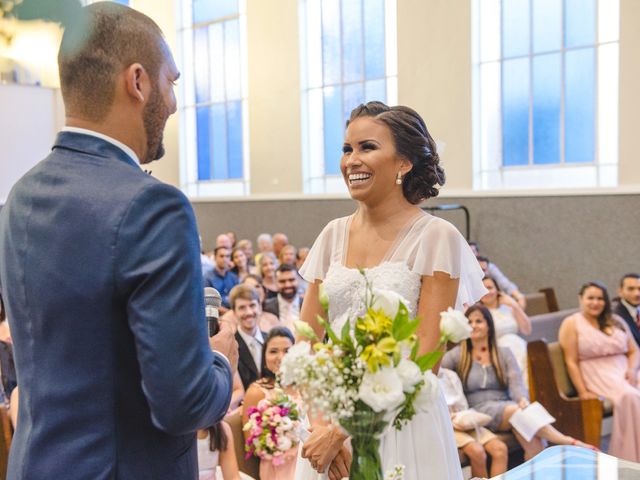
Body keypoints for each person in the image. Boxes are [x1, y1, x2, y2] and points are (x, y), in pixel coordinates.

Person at [0, 4, 237, 479]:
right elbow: (182, 403)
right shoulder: (153, 206)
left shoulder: (19, 197)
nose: (172, 103)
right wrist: (221, 361)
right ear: (138, 82)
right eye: (171, 82)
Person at [296, 101, 487, 480]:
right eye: (347, 149)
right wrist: (322, 427)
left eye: (367, 147)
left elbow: (426, 357)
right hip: (328, 427)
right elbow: (308, 344)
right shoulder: (331, 235)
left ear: (404, 162)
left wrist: (345, 430)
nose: (352, 160)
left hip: (401, 423)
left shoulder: (437, 238)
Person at [442, 305, 594, 461]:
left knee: (535, 445)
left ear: (489, 325)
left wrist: (521, 399)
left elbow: (516, 383)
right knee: (516, 413)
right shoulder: (456, 356)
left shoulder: (504, 353)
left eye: (479, 321)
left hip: (507, 407)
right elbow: (440, 375)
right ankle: (565, 441)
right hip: (479, 411)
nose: (473, 325)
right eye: (469, 322)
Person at [559, 281, 640, 462]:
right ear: (581, 299)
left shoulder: (615, 320)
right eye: (590, 298)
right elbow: (571, 361)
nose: (595, 302)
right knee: (630, 396)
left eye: (600, 298)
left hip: (626, 370)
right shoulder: (571, 323)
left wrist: (633, 370)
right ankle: (631, 458)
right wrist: (583, 391)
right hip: (597, 374)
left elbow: (634, 350)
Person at [242, 327, 298, 480]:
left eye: (287, 351)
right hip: (276, 465)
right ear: (264, 359)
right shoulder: (256, 391)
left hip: (306, 458)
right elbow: (252, 443)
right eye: (273, 351)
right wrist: (278, 437)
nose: (281, 357)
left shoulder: (306, 386)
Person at [438, 367, 508, 478]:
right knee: (477, 452)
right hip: (446, 424)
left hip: (463, 419)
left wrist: (460, 415)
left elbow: (463, 404)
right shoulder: (423, 379)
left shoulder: (450, 375)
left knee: (500, 449)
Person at [480, 275, 531, 384]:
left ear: (497, 290)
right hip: (498, 350)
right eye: (482, 289)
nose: (487, 292)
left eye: (489, 288)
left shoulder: (508, 308)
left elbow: (527, 330)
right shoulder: (479, 315)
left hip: (520, 345)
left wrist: (515, 306)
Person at [231, 285, 269, 391]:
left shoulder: (271, 340)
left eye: (252, 305)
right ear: (234, 313)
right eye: (242, 307)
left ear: (260, 307)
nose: (248, 312)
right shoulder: (230, 346)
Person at [263, 264, 302, 331]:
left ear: (298, 280)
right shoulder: (266, 308)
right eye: (282, 281)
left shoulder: (308, 305)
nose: (287, 285)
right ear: (275, 282)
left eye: (291, 280)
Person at [205, 246, 239, 313]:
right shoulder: (207, 277)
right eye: (221, 256)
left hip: (234, 313)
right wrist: (229, 312)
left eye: (227, 256)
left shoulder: (234, 277)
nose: (225, 259)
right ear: (215, 258)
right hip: (215, 315)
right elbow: (208, 302)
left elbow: (239, 298)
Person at [613, 273, 640, 348]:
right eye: (631, 289)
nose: (637, 293)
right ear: (620, 292)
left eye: (639, 289)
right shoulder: (614, 316)